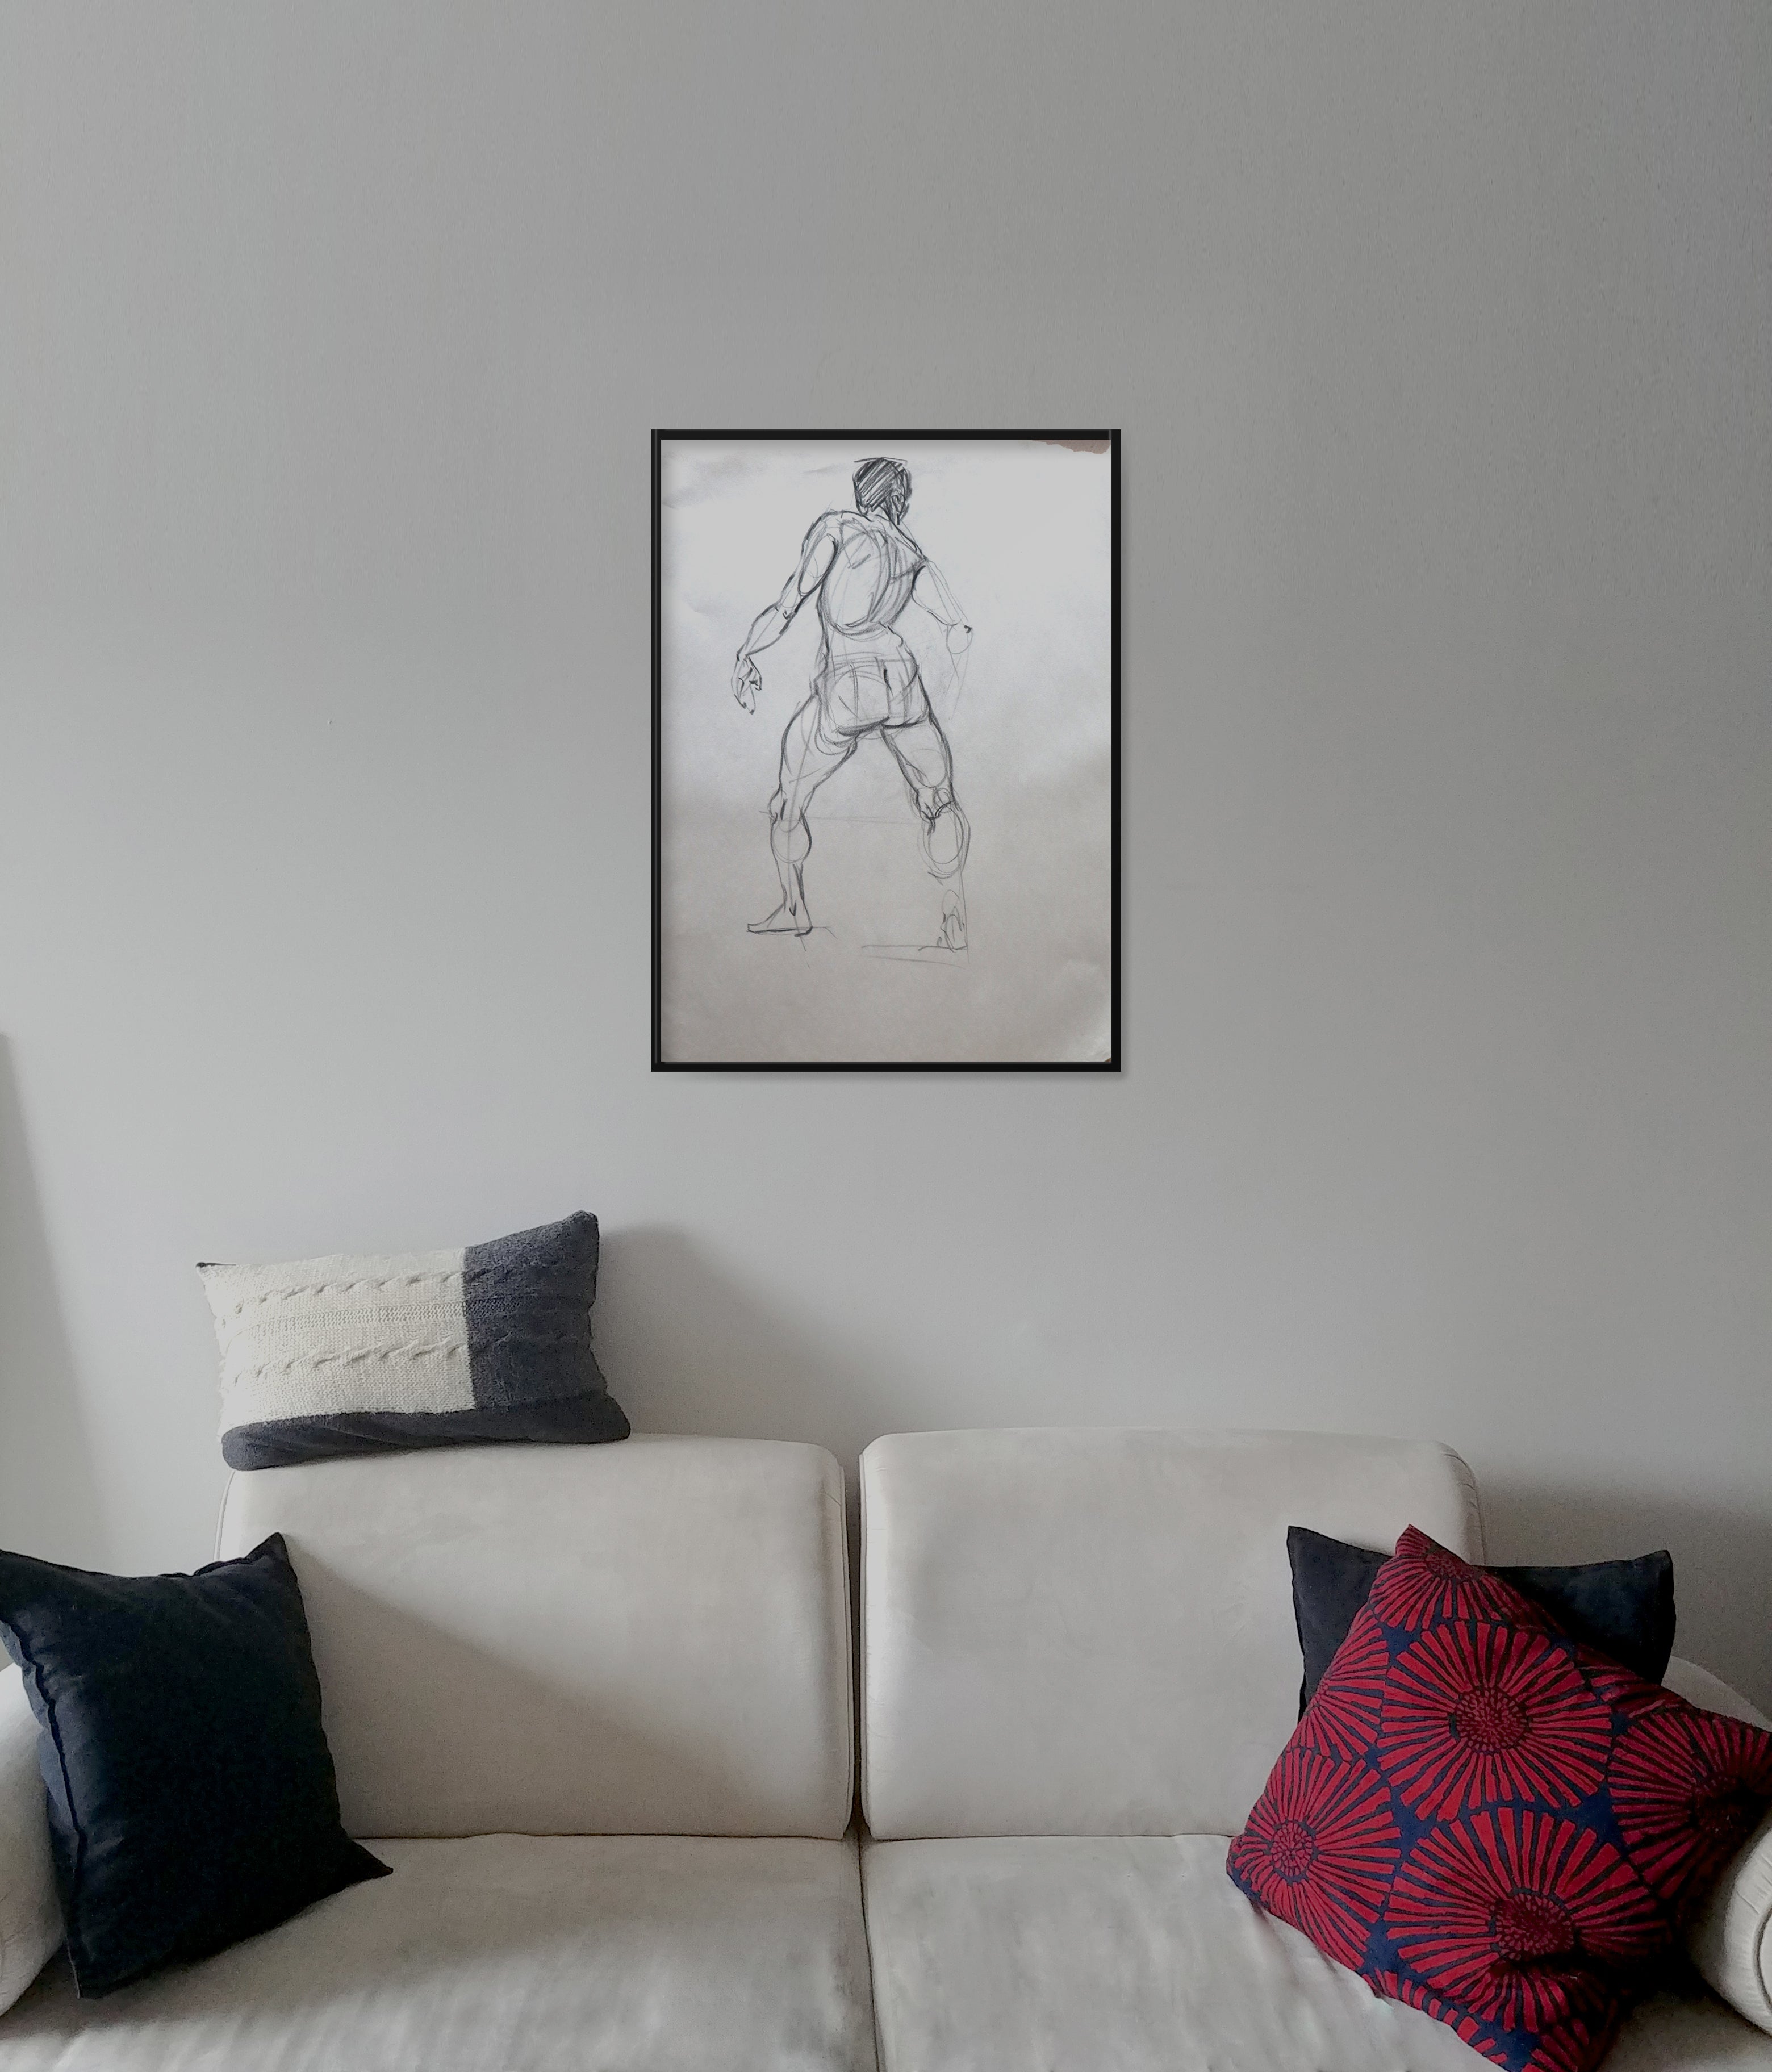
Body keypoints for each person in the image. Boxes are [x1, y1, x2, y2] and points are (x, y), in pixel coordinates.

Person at [732, 457, 972, 945]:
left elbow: (789, 603)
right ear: (898, 498)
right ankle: (955, 916)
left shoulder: (839, 527)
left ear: (863, 492)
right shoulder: (912, 553)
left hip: (848, 681)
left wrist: (746, 653)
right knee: (939, 798)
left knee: (788, 802)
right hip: (902, 679)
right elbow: (958, 625)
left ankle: (794, 908)